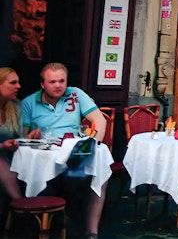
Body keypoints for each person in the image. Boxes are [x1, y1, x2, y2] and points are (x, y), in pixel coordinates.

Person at [22, 63, 108, 239]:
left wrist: (89, 145)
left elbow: (100, 121)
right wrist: (32, 135)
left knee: (102, 173)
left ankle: (92, 231)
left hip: (74, 153)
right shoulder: (28, 103)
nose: (58, 85)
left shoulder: (75, 94)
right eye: (52, 81)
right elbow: (23, 137)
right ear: (42, 84)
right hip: (45, 156)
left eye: (62, 81)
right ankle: (44, 222)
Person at [0, 68, 23, 200]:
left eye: (18, 82)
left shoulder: (16, 106)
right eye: (13, 83)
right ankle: (21, 206)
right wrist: (3, 146)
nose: (18, 86)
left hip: (11, 157)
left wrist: (28, 138)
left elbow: (18, 139)